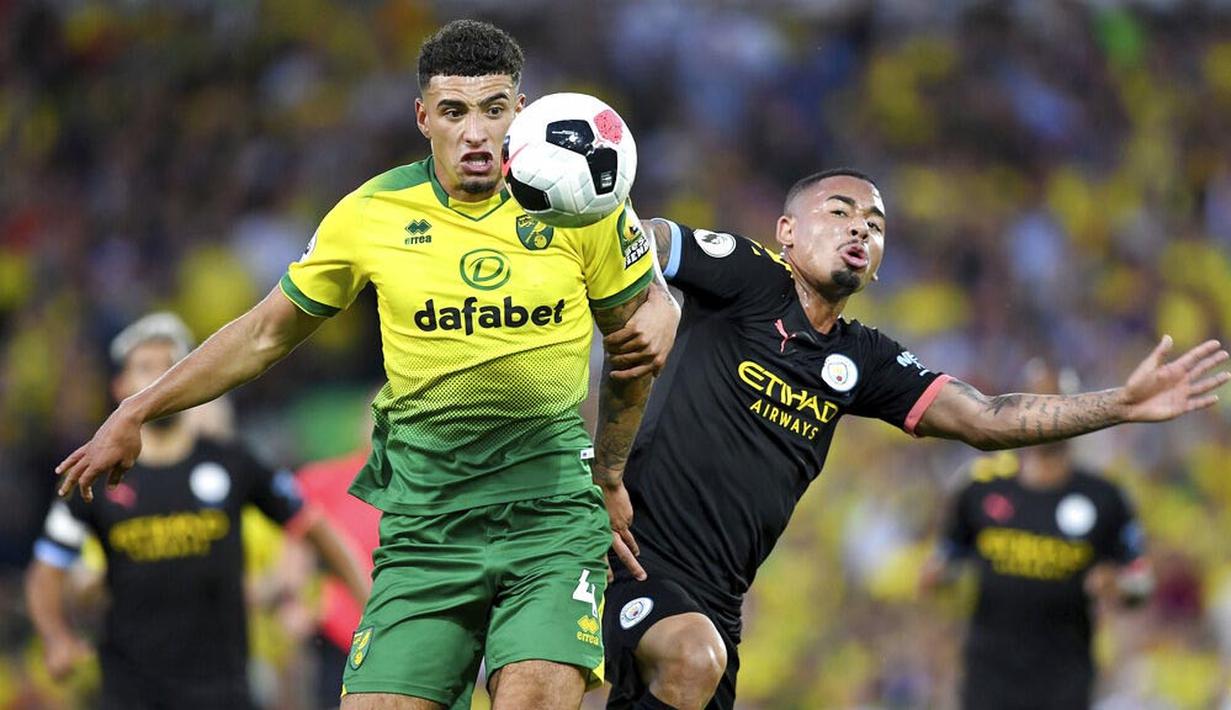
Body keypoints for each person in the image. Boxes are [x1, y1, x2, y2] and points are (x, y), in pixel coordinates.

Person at [53, 20, 678, 710]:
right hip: (424, 529)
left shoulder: (578, 203)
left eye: (493, 109)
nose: (475, 131)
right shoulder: (370, 214)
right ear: (422, 117)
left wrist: (612, 463)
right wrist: (136, 408)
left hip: (548, 515)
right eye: (453, 111)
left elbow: (635, 345)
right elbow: (264, 335)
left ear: (520, 112)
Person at [599, 168, 1228, 710]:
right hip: (628, 551)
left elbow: (987, 418)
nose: (859, 230)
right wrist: (651, 292)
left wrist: (1121, 403)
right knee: (689, 658)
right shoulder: (747, 275)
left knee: (696, 662)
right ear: (787, 232)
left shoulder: (864, 359)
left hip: (718, 598)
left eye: (874, 225)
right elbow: (643, 236)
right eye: (839, 212)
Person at [25, 312, 371, 710]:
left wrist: (370, 611)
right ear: (120, 386)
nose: (159, 379)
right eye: (145, 368)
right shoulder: (98, 479)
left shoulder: (235, 463)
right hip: (130, 694)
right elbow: (46, 568)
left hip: (223, 693)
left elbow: (316, 529)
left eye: (172, 367)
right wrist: (55, 638)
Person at [918, 361, 1154, 710]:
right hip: (988, 680)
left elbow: (1141, 581)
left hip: (1063, 684)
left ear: (1077, 411)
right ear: (1017, 407)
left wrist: (1117, 585)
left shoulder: (1105, 497)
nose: (1047, 413)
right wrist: (939, 576)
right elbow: (947, 559)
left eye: (1056, 403)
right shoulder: (979, 488)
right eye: (1037, 402)